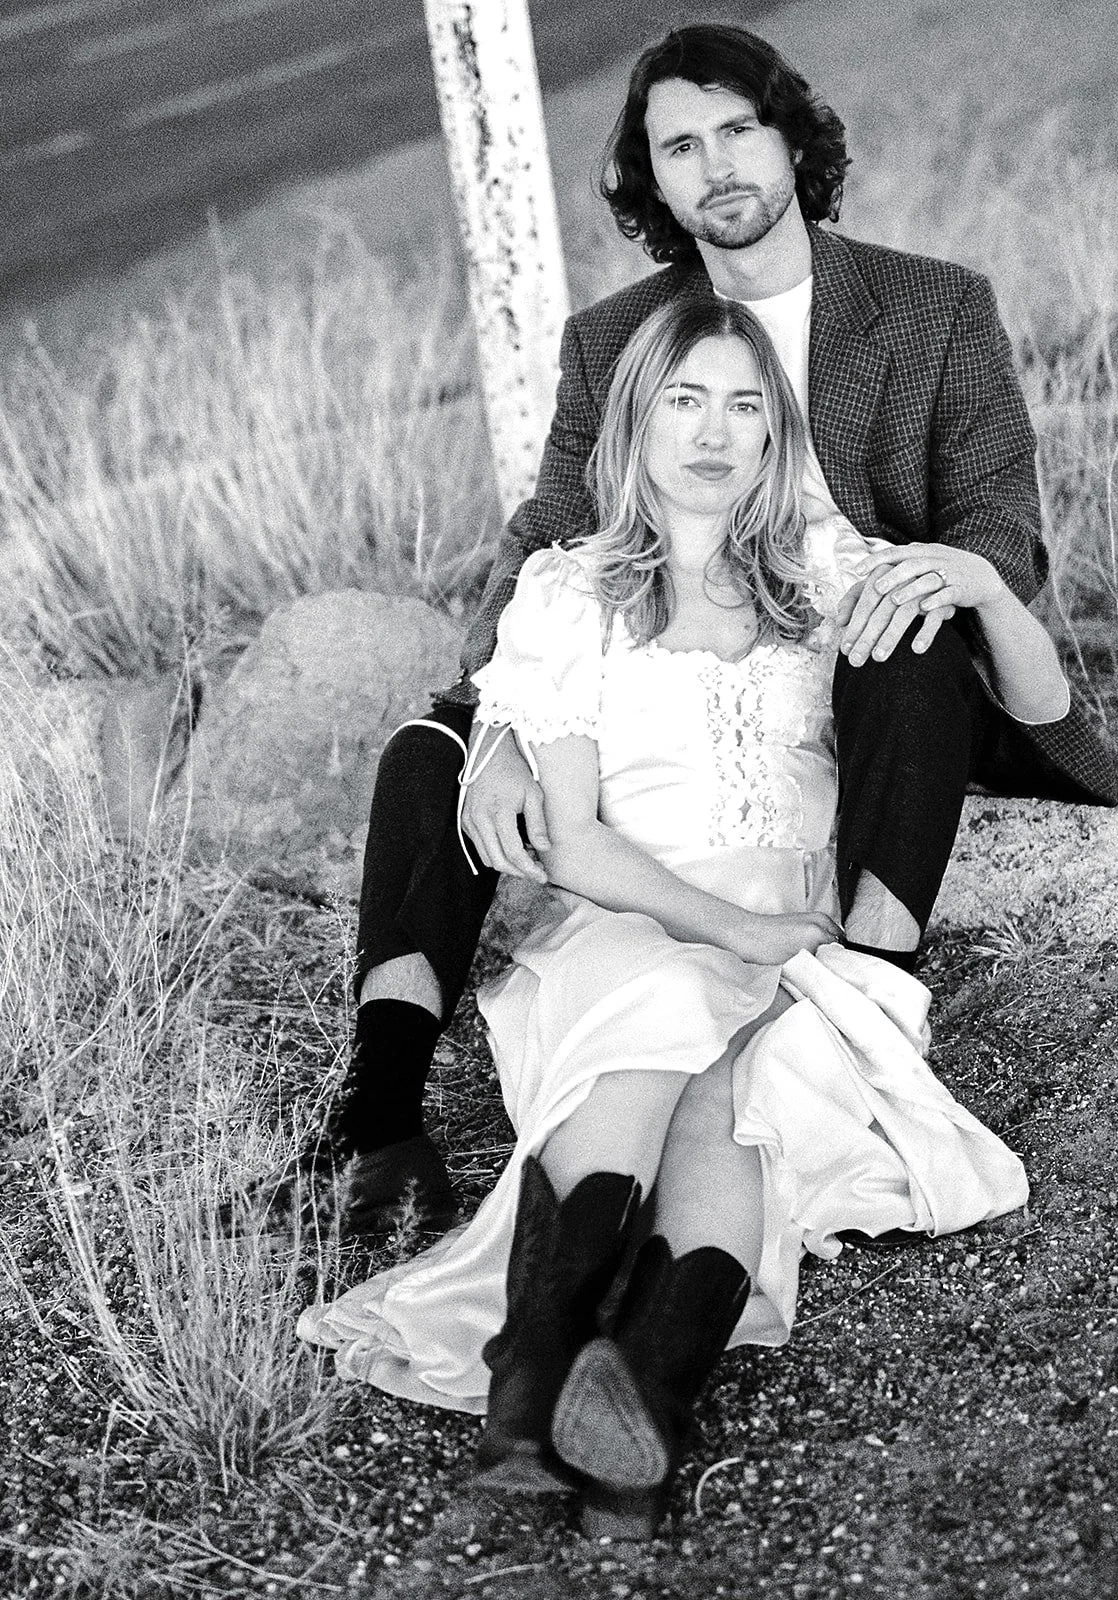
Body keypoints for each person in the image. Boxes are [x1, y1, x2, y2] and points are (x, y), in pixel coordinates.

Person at [245, 23, 1118, 1239]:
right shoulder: (616, 342)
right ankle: (379, 1125)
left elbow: (999, 533)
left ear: (791, 139)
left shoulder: (933, 308)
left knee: (904, 632)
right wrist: (496, 717)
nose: (717, 167)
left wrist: (951, 575)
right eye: (679, 148)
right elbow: (546, 539)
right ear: (653, 183)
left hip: (873, 677)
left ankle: (869, 994)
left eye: (737, 130)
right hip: (677, 668)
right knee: (424, 756)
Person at [299, 297, 1058, 1538]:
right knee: (654, 1030)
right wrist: (732, 932)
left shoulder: (826, 571)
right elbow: (580, 840)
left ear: (775, 437)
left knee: (745, 1099)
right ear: (634, 424)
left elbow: (1035, 696)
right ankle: (532, 1376)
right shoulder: (571, 591)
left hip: (794, 920)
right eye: (684, 402)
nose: (715, 432)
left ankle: (642, 1388)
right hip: (635, 910)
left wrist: (981, 582)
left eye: (745, 405)